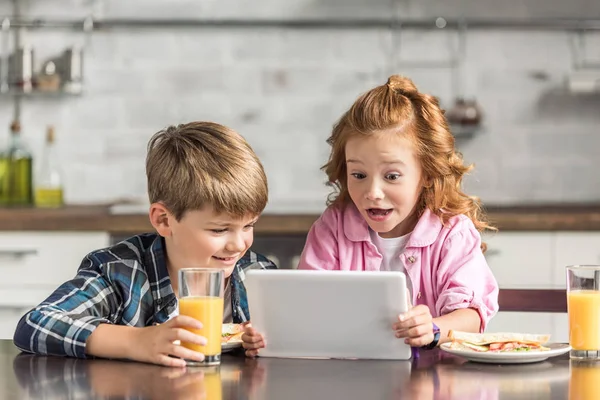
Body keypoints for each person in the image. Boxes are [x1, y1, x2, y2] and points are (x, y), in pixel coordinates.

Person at [242, 75, 499, 357]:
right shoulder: (333, 228)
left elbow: (472, 316)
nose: (373, 192)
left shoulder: (452, 232)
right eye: (359, 175)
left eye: (391, 176)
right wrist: (270, 335)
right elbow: (309, 308)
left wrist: (434, 328)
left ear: (427, 174)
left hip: (436, 380)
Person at [13, 121, 277, 367]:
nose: (238, 244)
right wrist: (137, 341)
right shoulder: (119, 272)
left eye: (249, 225)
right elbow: (37, 323)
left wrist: (264, 343)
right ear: (164, 220)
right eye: (220, 229)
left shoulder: (257, 273)